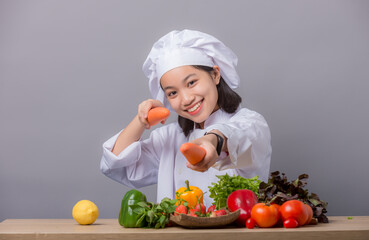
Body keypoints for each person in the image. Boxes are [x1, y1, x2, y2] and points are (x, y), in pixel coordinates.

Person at [100, 29, 272, 207]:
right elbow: (118, 166)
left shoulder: (252, 123)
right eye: (173, 93)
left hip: (234, 234)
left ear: (215, 75)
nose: (186, 99)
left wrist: (213, 142)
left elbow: (237, 137)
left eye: (191, 83)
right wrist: (140, 120)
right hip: (179, 235)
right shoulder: (170, 137)